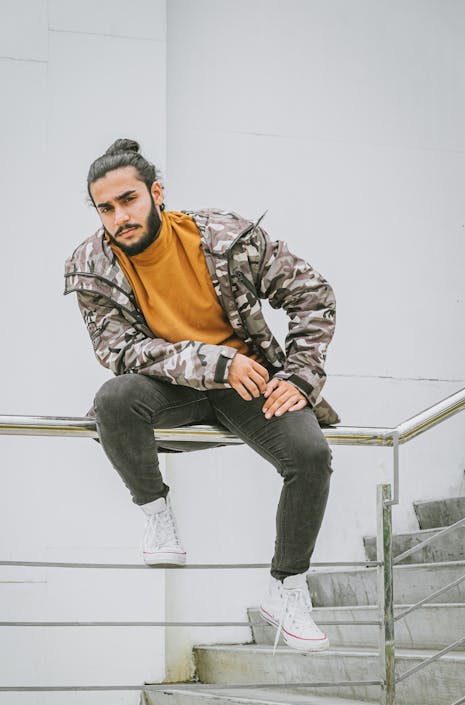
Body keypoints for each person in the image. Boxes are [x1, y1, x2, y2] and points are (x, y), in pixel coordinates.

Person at [64, 138, 339, 652]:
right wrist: (214, 362)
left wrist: (300, 377)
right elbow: (122, 351)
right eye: (106, 208)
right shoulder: (91, 266)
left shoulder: (224, 237)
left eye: (129, 200)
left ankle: (287, 587)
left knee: (311, 455)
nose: (119, 216)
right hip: (172, 388)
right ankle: (157, 515)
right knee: (113, 399)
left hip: (249, 381)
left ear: (157, 193)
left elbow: (313, 294)